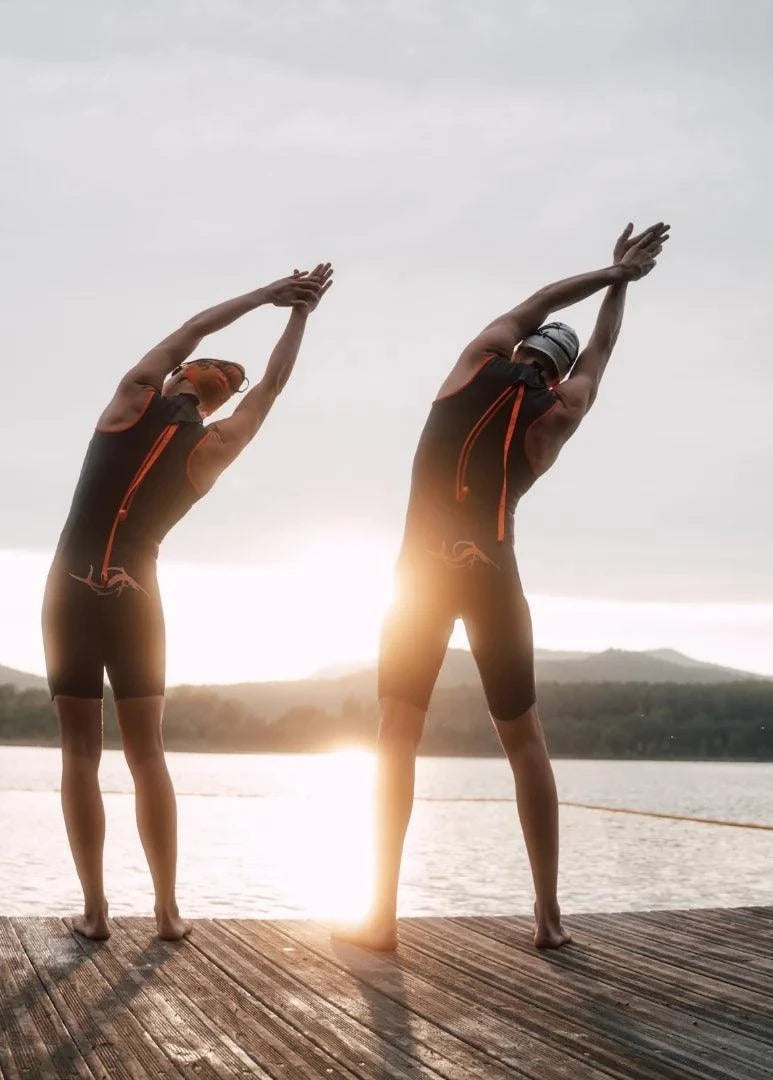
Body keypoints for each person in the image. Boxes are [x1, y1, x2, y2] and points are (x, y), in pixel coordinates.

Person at [338, 223, 669, 951]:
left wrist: (610, 272)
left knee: (397, 736)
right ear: (559, 370)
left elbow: (542, 298)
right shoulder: (559, 413)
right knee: (524, 741)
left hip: (420, 575)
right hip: (492, 572)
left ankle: (379, 916)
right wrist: (624, 289)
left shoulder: (472, 365)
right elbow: (602, 350)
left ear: (522, 349)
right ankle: (548, 916)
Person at [43, 263, 333, 940]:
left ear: (179, 376)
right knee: (148, 756)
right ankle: (168, 912)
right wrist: (301, 316)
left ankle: (95, 912)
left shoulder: (129, 399)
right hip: (137, 599)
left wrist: (269, 295)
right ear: (218, 402)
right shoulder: (215, 445)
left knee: (79, 753)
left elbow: (194, 326)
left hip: (70, 589)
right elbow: (274, 385)